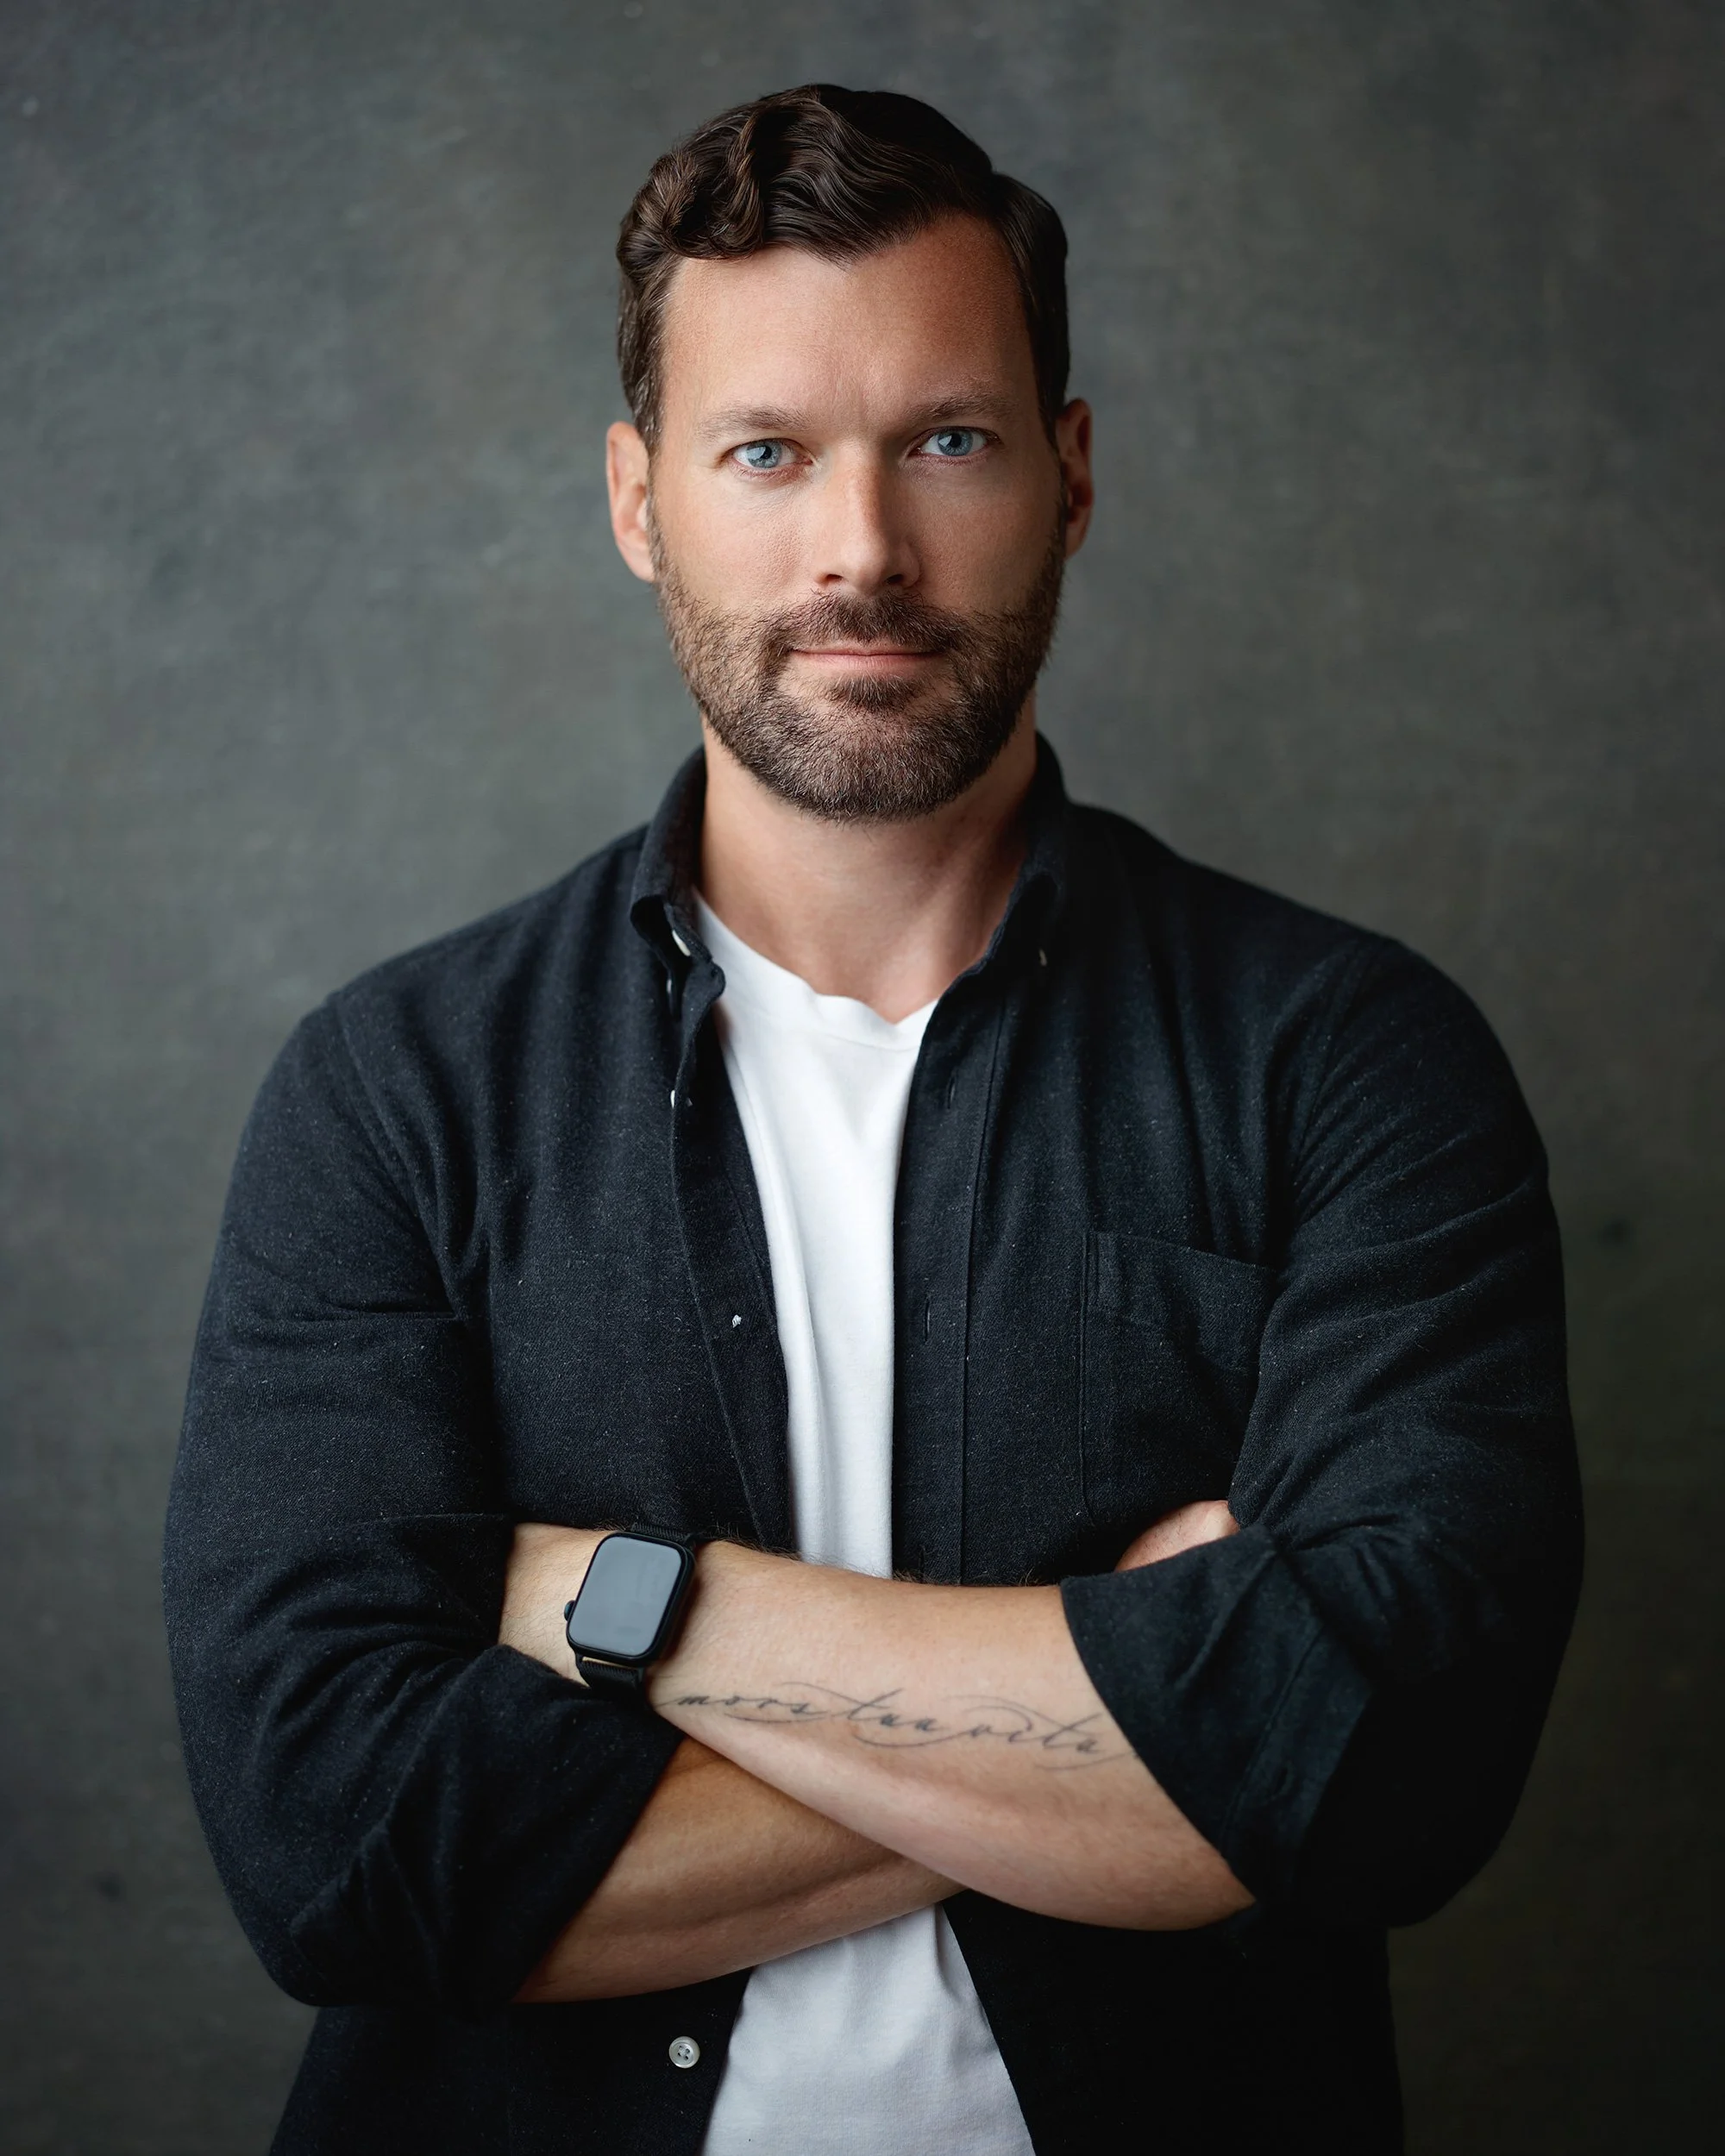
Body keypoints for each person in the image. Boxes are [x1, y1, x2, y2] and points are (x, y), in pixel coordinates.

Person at [165, 85, 1582, 2156]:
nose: (862, 550)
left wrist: (643, 1611)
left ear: (1069, 474)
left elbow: (1387, 1769)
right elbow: (342, 1851)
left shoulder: (1349, 1057)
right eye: (767, 452)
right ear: (640, 499)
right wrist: (1159, 1716)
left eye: (947, 438)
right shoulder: (397, 1092)